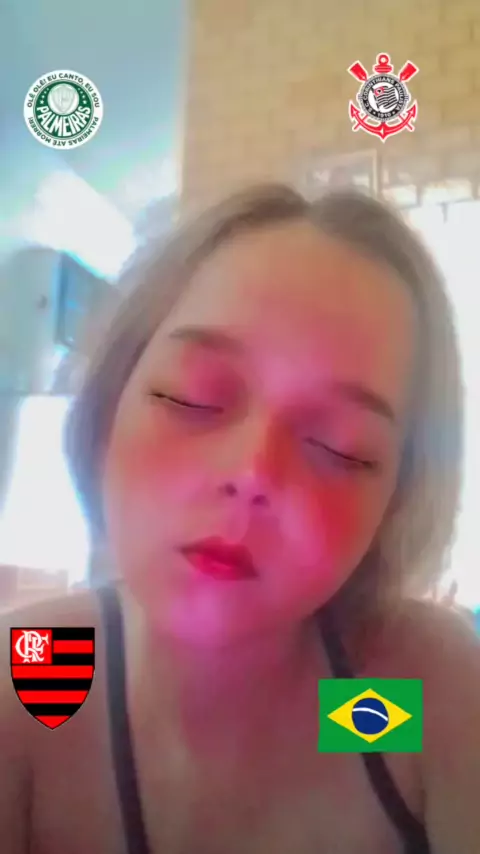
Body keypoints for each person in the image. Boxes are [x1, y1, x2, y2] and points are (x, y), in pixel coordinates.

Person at [1, 183, 479, 854]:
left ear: (394, 503)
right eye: (192, 397)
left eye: (340, 447)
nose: (253, 474)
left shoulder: (403, 694)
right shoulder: (33, 671)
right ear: (110, 407)